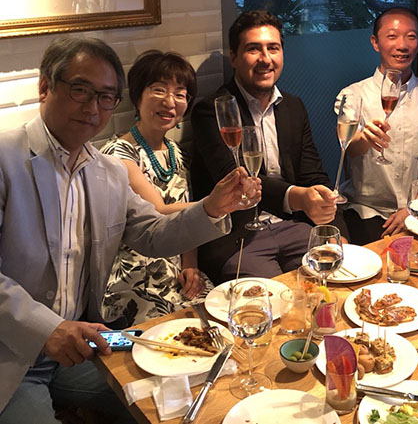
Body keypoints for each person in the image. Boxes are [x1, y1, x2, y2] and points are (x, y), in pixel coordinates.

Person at [0, 38, 259, 422]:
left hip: (85, 348)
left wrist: (211, 208)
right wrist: (46, 329)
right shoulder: (6, 159)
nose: (93, 108)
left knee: (189, 393)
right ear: (44, 87)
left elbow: (153, 233)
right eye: (80, 90)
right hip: (12, 359)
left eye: (106, 97)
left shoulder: (106, 172)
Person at [191, 10, 349, 282]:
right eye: (253, 49)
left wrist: (336, 231)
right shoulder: (212, 111)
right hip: (240, 238)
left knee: (335, 283)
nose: (265, 59)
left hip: (294, 227)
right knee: (275, 299)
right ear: (234, 57)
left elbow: (314, 175)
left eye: (273, 48)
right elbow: (235, 178)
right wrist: (298, 197)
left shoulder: (293, 106)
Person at [100, 50, 214, 326]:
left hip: (174, 271)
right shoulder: (117, 154)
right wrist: (217, 203)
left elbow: (187, 220)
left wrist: (190, 265)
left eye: (180, 94)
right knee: (171, 334)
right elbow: (158, 210)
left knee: (219, 316)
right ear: (137, 96)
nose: (169, 102)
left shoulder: (176, 152)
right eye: (159, 90)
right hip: (135, 277)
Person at [336, 7, 418, 245]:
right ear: (375, 43)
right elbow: (349, 149)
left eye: (411, 37)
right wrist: (365, 138)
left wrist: (416, 206)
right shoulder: (352, 95)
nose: (402, 45)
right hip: (367, 211)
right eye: (392, 36)